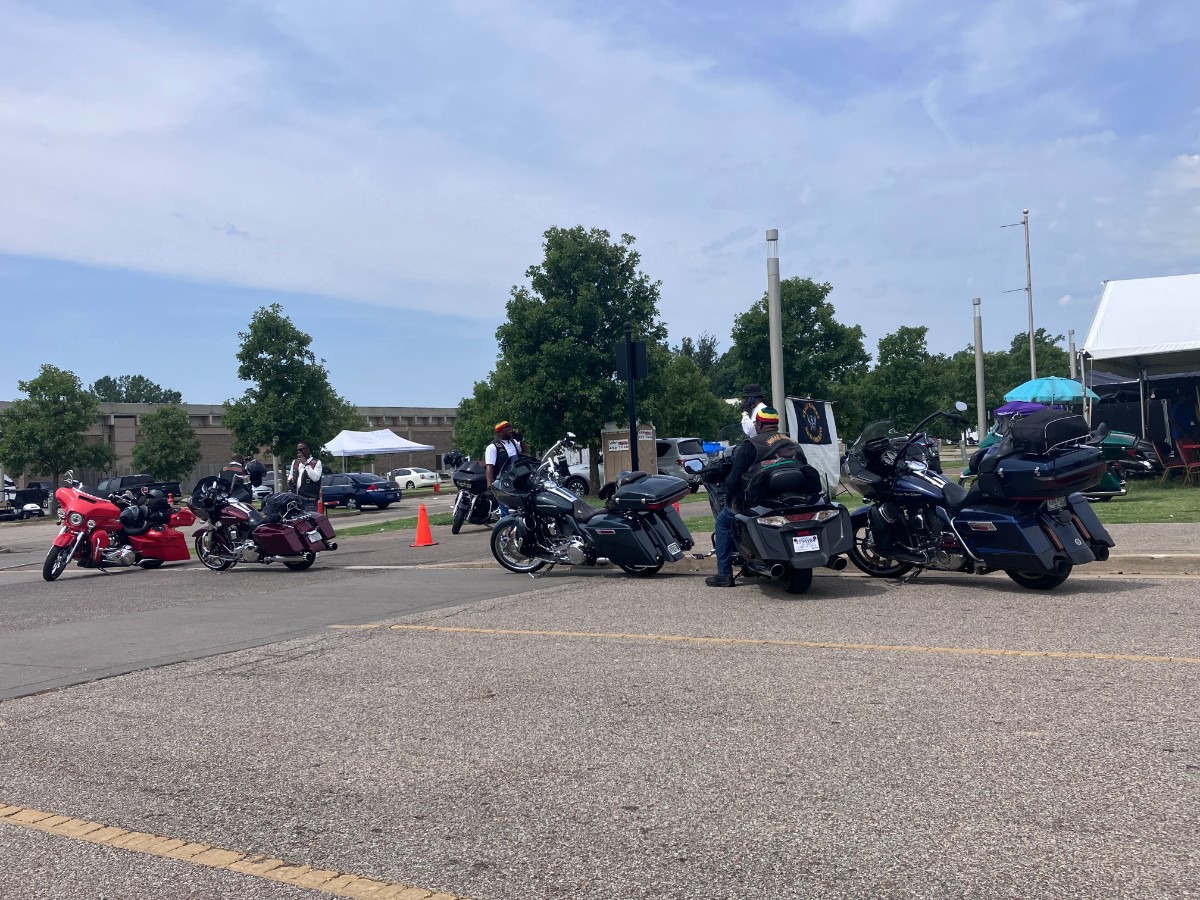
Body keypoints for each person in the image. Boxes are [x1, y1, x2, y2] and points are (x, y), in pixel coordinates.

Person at [707, 407, 800, 588]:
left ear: (759, 424)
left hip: (758, 502)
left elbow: (735, 478)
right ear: (776, 424)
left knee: (724, 522)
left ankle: (724, 574)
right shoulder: (792, 443)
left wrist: (729, 495)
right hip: (792, 499)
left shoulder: (751, 445)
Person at [287, 441, 324, 512]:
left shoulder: (316, 462)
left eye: (301, 450)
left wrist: (306, 464)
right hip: (296, 499)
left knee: (309, 521)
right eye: (297, 450)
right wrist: (290, 481)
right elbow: (290, 477)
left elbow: (315, 478)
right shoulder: (295, 462)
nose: (298, 452)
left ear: (308, 450)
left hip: (309, 500)